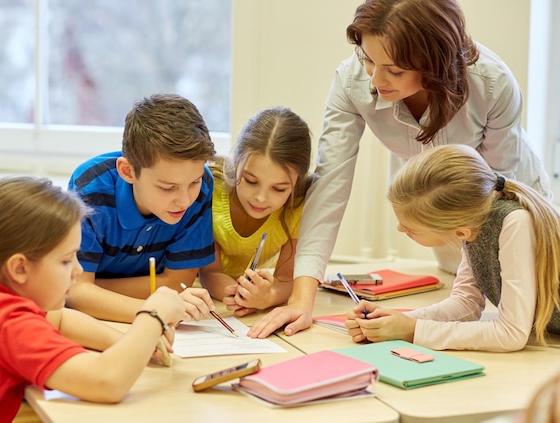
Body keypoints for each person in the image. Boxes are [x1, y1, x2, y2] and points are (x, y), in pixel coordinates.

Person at [246, 0, 552, 339]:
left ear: (435, 63)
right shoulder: (352, 83)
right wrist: (302, 299)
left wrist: (412, 330)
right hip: (446, 210)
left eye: (395, 70)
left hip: (504, 199)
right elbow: (329, 185)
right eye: (368, 59)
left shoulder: (492, 83)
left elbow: (492, 195)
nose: (376, 80)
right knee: (467, 290)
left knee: (533, 314)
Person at [0, 176, 186, 423]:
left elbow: (59, 320)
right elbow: (106, 382)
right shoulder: (7, 320)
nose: (77, 270)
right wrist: (152, 315)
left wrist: (132, 344)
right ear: (19, 268)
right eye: (66, 260)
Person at [345, 144, 560, 351]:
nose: (400, 229)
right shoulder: (474, 219)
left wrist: (412, 331)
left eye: (412, 229)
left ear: (460, 232)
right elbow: (465, 303)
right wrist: (395, 322)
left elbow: (511, 334)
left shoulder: (514, 223)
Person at [67, 93, 218, 323]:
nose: (186, 201)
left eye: (194, 182)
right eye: (168, 188)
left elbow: (177, 282)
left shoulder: (203, 185)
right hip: (97, 321)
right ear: (128, 172)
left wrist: (91, 288)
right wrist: (155, 311)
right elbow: (75, 294)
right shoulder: (90, 189)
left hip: (122, 315)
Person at [199, 107, 313, 315]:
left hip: (244, 294)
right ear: (236, 162)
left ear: (297, 182)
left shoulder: (298, 206)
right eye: (251, 181)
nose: (261, 198)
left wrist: (267, 296)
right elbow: (209, 272)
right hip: (201, 293)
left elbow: (287, 280)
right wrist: (234, 293)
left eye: (279, 189)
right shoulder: (211, 191)